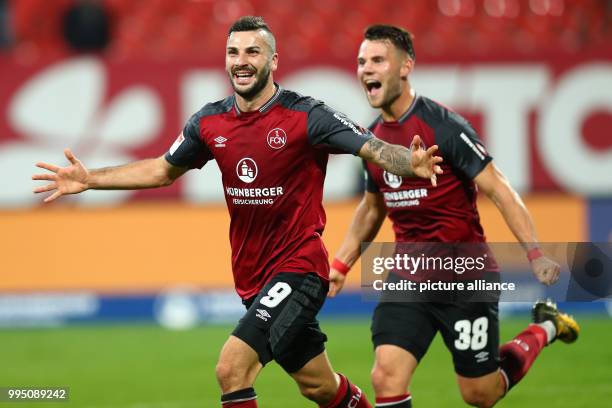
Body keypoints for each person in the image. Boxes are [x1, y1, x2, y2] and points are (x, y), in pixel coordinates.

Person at [32, 17, 443, 408]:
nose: (241, 61)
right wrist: (90, 179)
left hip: (299, 269)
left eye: (252, 52)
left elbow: (371, 147)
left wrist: (411, 162)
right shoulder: (210, 122)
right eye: (233, 52)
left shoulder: (307, 115)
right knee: (318, 386)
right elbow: (161, 170)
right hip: (251, 277)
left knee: (232, 369)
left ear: (273, 61)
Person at [328, 25, 580, 408]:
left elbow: (500, 190)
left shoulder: (444, 127)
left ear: (405, 66)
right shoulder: (373, 140)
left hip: (465, 275)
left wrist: (535, 253)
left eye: (378, 60)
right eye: (362, 61)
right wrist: (342, 264)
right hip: (409, 276)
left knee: (479, 393)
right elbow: (372, 205)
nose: (366, 69)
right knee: (386, 374)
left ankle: (544, 327)